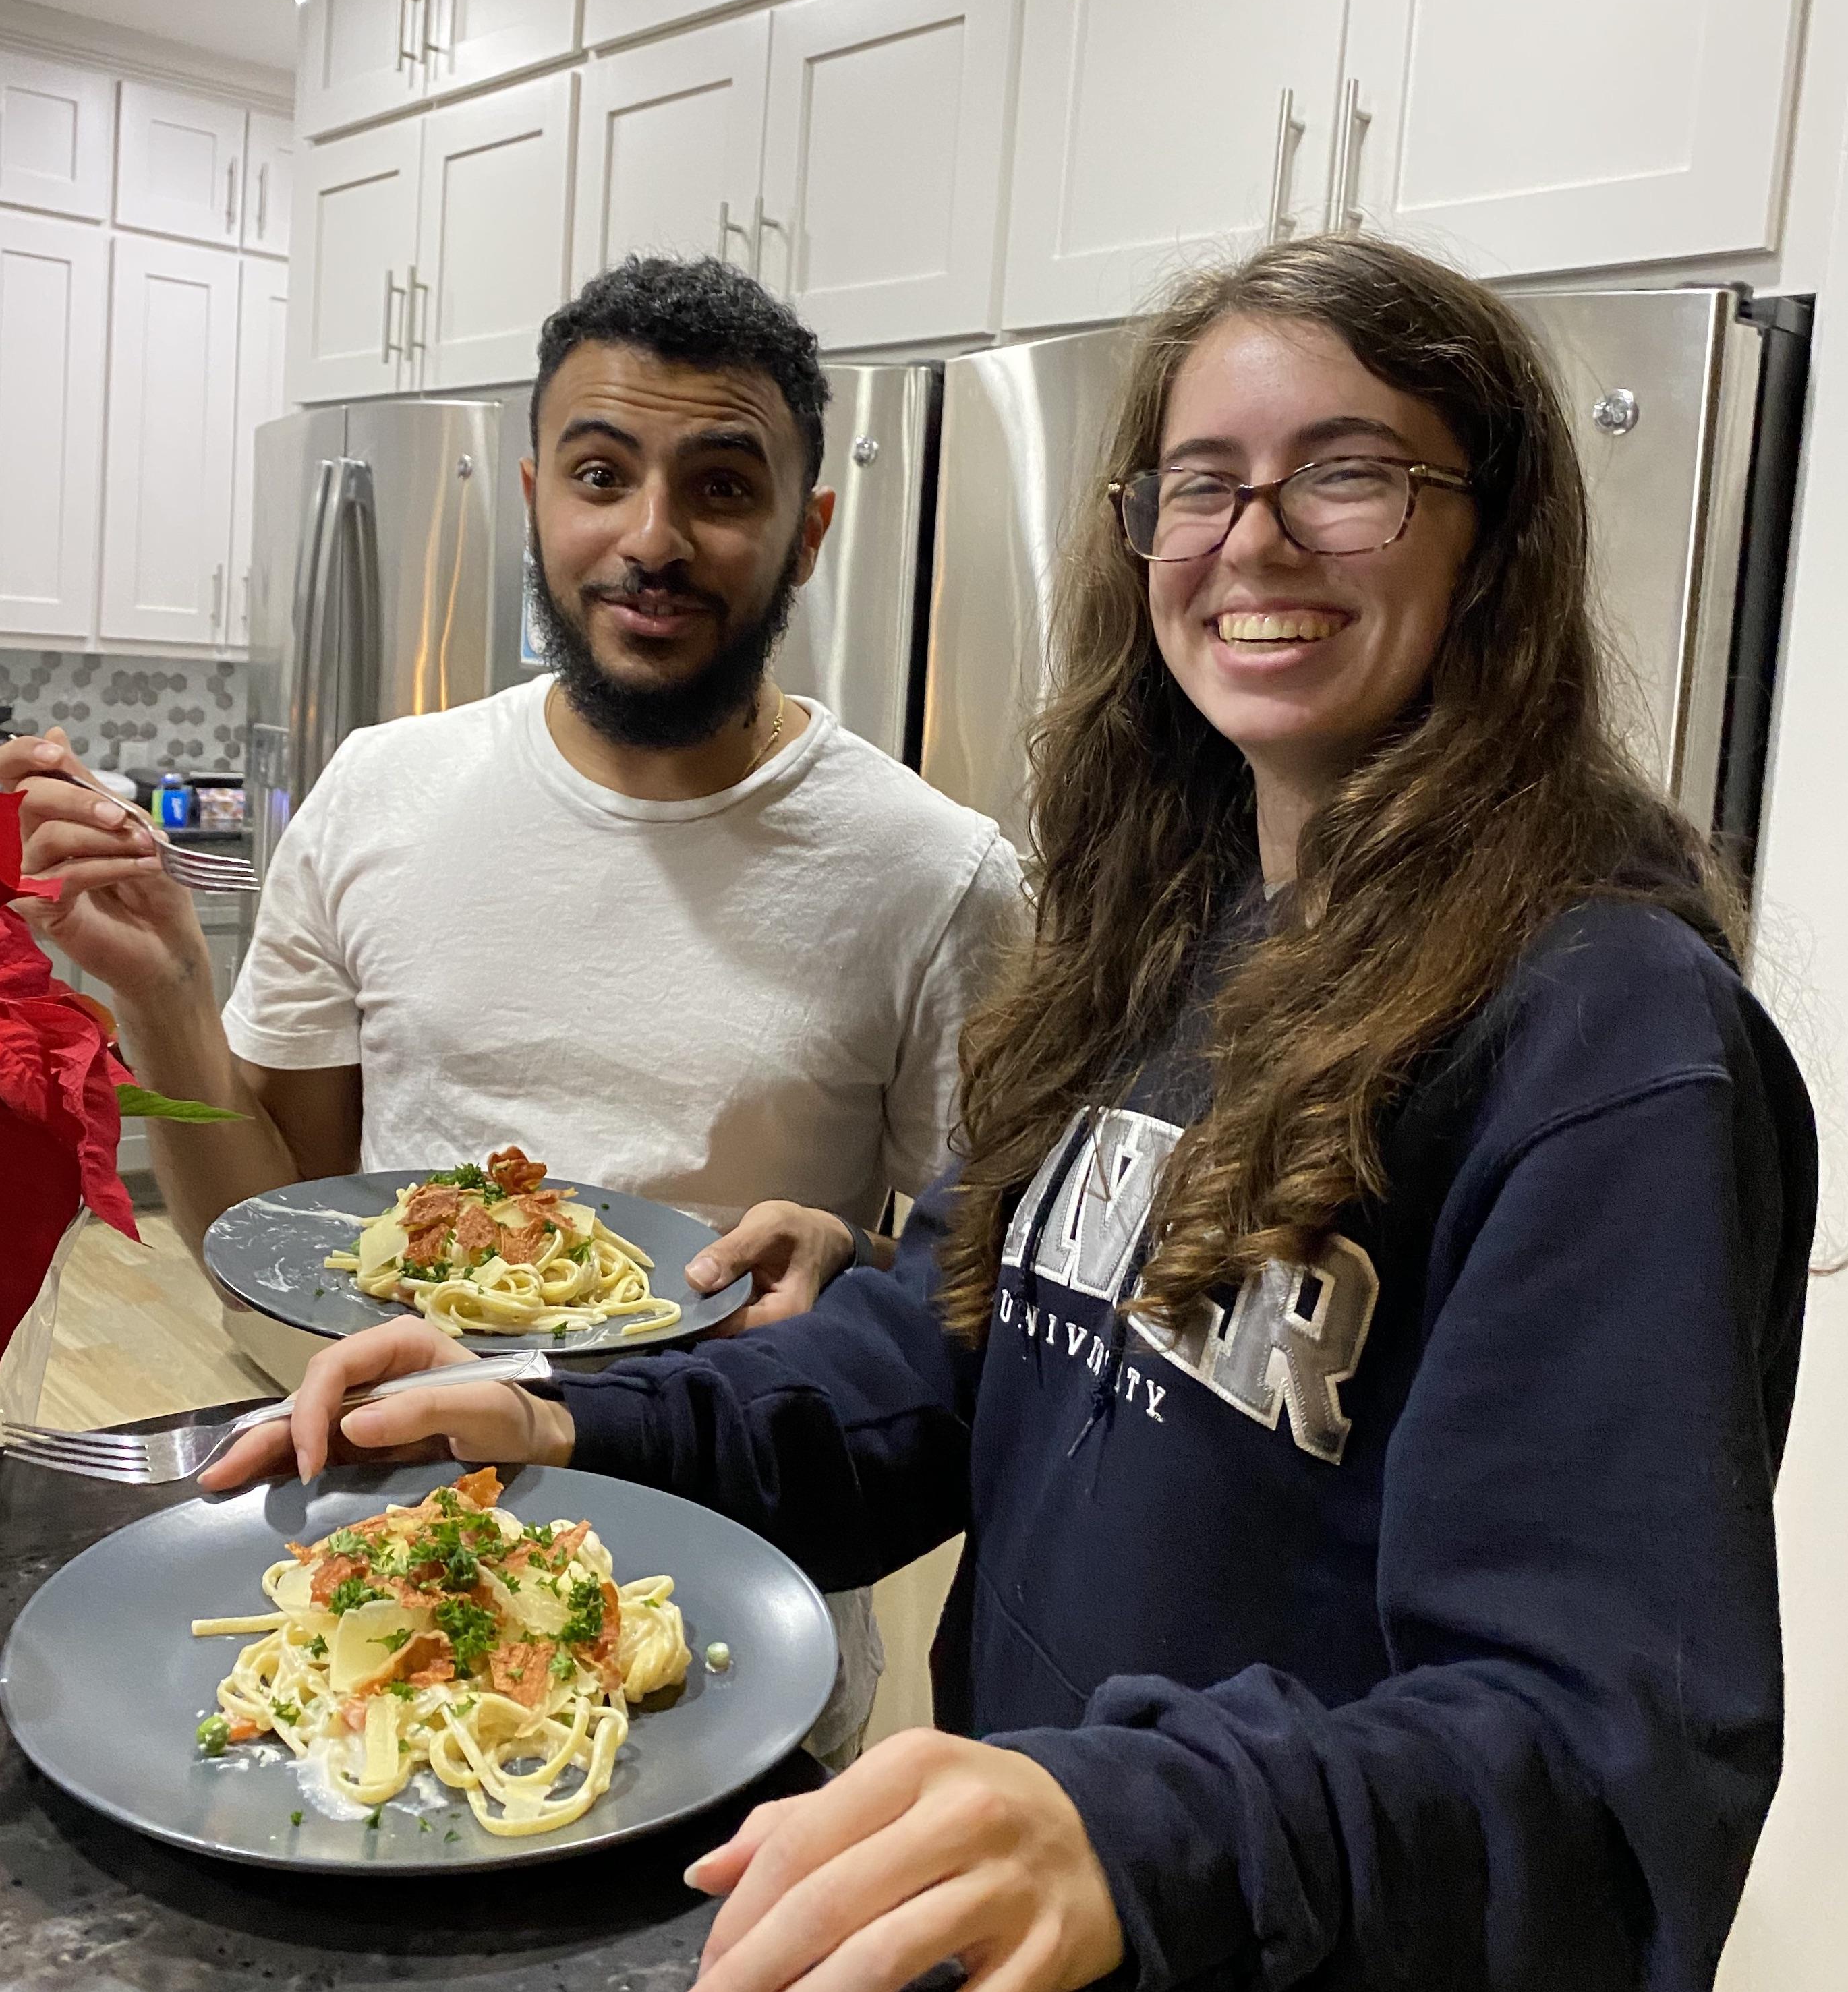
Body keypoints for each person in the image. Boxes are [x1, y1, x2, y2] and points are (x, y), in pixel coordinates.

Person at [207, 234, 1817, 1992]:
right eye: (1198, 484)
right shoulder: (1145, 951)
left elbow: (1595, 1773)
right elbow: (930, 1358)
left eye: (1342, 473)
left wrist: (1126, 1830)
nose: (1250, 538)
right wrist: (558, 1421)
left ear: (1491, 543)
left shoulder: (1606, 1039)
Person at [0, 254, 1027, 1763]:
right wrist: (165, 995)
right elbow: (270, 1243)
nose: (650, 539)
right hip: (386, 1552)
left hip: (735, 1592)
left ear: (808, 527)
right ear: (535, 492)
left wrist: (858, 1253)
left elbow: (970, 1308)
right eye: (601, 474)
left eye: (721, 487)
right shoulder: (381, 792)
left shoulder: (941, 876)